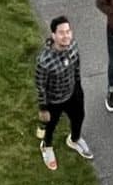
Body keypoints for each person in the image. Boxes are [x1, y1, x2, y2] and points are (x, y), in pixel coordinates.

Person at [33, 15, 93, 169]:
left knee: (79, 117)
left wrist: (78, 87)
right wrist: (43, 108)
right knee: (50, 126)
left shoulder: (73, 46)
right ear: (53, 35)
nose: (66, 36)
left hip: (73, 92)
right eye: (61, 32)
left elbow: (76, 66)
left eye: (68, 31)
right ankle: (46, 146)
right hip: (54, 100)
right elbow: (40, 86)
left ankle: (74, 140)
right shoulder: (44, 61)